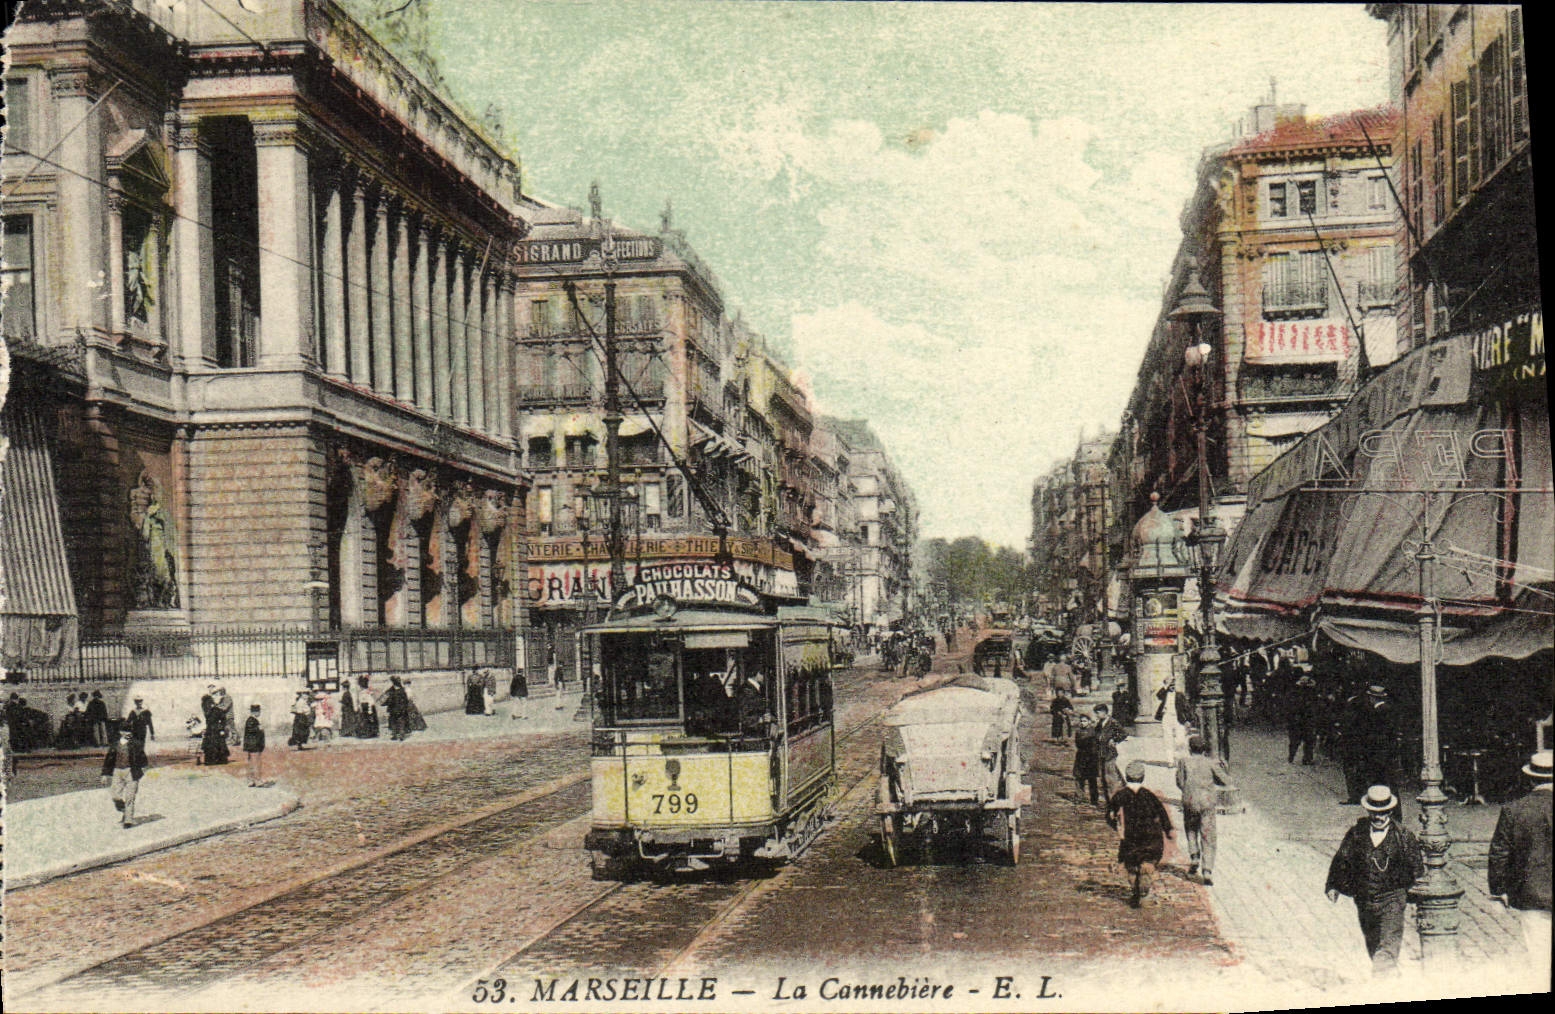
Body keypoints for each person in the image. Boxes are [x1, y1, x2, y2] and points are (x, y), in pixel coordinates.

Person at [1325, 784, 1426, 976]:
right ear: (1368, 811)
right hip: (1365, 900)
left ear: (1390, 811)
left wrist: (1417, 900)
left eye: (1384, 812)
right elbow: (1342, 859)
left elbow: (1416, 868)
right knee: (1373, 946)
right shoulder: (1357, 834)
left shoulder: (1404, 837)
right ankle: (1390, 978)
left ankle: (1382, 980)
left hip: (1393, 899)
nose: (1379, 817)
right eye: (1375, 812)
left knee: (1387, 947)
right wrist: (1333, 886)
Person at [1488, 749, 1552, 967]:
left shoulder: (1514, 810)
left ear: (1531, 779)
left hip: (1532, 895)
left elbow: (1500, 853)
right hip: (1535, 895)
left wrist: (1498, 891)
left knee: (1540, 955)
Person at [1106, 760, 1174, 908]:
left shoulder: (1120, 796)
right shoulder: (1149, 795)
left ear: (1126, 776)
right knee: (1147, 864)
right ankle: (1144, 891)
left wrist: (1117, 827)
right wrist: (1168, 830)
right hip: (1151, 839)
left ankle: (1136, 891)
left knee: (1131, 866)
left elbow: (1109, 815)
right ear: (1142, 777)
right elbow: (1162, 814)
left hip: (1131, 839)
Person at [1176, 734, 1231, 885]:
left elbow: (1180, 782)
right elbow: (1226, 781)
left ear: (1189, 749)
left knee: (1191, 830)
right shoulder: (1211, 763)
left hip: (1190, 801)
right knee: (1208, 835)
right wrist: (1224, 768)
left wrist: (1188, 790)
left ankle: (1194, 856)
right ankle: (1207, 870)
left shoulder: (1183, 762)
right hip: (1207, 803)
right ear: (1204, 750)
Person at [101, 726, 148, 828]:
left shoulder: (136, 744)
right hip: (117, 771)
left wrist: (142, 769)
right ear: (121, 732)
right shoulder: (114, 745)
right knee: (115, 796)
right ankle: (124, 811)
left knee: (130, 797)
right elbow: (109, 760)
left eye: (130, 731)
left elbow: (143, 759)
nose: (128, 733)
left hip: (131, 772)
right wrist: (105, 774)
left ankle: (128, 820)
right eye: (126, 731)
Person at [1092, 703, 1127, 804]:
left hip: (1109, 754)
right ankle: (1109, 802)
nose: (1096, 715)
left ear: (1104, 712)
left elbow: (1124, 733)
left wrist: (1114, 740)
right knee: (1103, 779)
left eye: (1098, 713)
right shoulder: (1099, 723)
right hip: (1101, 753)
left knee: (1111, 779)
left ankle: (1115, 801)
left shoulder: (1113, 722)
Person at [1287, 673, 1319, 765]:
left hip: (1298, 720)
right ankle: (1306, 758)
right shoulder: (1310, 696)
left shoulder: (1294, 694)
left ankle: (1293, 756)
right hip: (1304, 720)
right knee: (1308, 740)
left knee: (1296, 740)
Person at [1072, 714, 1100, 805]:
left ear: (1089, 722)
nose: (1082, 723)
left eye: (1084, 721)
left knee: (1092, 779)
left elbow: (1096, 745)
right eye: (1081, 721)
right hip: (1081, 757)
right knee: (1079, 778)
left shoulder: (1094, 732)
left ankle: (1094, 799)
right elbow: (1077, 744)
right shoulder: (1078, 731)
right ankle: (1079, 797)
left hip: (1091, 758)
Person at [199, 688, 230, 765]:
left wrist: (222, 729)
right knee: (213, 745)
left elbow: (223, 719)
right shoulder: (208, 710)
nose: (206, 706)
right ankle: (213, 760)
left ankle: (216, 760)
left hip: (216, 730)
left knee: (216, 745)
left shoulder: (215, 710)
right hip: (211, 730)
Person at [243, 704, 266, 786]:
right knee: (256, 762)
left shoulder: (251, 720)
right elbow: (251, 730)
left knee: (251, 763)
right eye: (259, 711)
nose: (260, 713)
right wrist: (259, 728)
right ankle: (257, 780)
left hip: (252, 745)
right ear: (255, 712)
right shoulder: (251, 720)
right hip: (254, 745)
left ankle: (251, 780)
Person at [382, 676, 411, 741]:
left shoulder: (391, 690)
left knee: (394, 722)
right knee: (400, 722)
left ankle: (395, 735)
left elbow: (387, 699)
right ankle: (401, 735)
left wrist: (384, 703)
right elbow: (406, 700)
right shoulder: (402, 690)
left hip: (394, 709)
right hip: (400, 709)